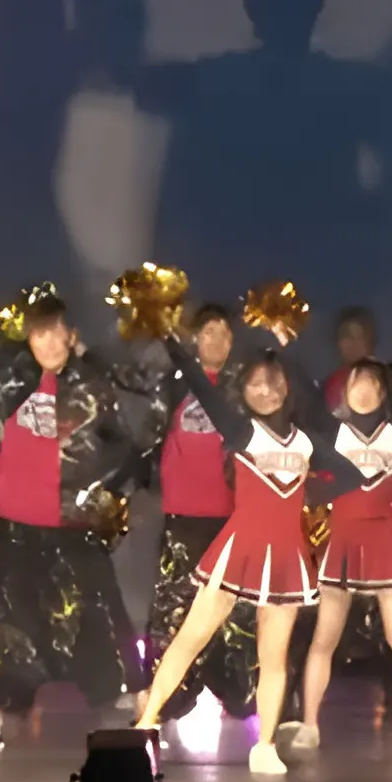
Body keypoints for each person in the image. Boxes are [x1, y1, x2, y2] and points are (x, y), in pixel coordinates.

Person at [0, 273, 150, 749]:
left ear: (70, 335)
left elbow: (126, 447)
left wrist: (99, 490)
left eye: (55, 332)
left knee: (105, 615)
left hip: (72, 525)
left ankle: (144, 710)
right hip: (18, 526)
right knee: (3, 623)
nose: (48, 342)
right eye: (39, 333)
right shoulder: (13, 375)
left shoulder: (92, 386)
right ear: (29, 338)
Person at [132, 354, 329, 772]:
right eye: (255, 384)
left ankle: (266, 745)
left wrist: (310, 497)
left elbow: (348, 474)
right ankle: (147, 721)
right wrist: (171, 339)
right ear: (243, 391)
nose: (265, 391)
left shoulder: (307, 442)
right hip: (240, 546)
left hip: (285, 554)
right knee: (191, 636)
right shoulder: (241, 431)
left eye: (273, 383)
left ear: (286, 389)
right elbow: (201, 387)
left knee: (274, 657)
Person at [293, 341, 392, 752]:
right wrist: (287, 344)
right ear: (344, 390)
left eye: (372, 383)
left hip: (386, 539)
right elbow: (304, 391)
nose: (363, 389)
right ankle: (309, 724)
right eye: (357, 382)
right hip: (343, 539)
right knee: (324, 640)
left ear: (383, 392)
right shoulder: (332, 433)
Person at [138, 304, 264, 722]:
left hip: (231, 517)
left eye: (225, 334)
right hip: (183, 514)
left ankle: (241, 691)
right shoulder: (174, 383)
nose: (217, 341)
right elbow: (148, 427)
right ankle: (168, 696)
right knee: (175, 610)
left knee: (236, 612)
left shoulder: (242, 388)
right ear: (195, 338)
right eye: (209, 332)